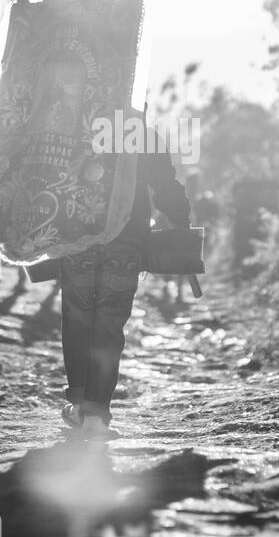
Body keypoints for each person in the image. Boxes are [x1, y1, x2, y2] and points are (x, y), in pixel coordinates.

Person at [59, 147, 192, 439]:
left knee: (77, 317)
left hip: (76, 236)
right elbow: (166, 186)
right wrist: (181, 221)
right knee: (108, 324)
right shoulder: (140, 132)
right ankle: (94, 416)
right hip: (126, 241)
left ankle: (80, 404)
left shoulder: (77, 123)